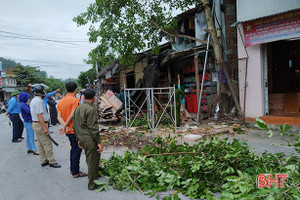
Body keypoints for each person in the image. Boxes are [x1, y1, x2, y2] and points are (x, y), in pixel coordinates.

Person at [73, 89, 104, 190]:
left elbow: (75, 126)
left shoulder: (78, 108)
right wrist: (99, 142)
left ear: (84, 97)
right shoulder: (90, 109)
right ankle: (92, 184)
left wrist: (78, 139)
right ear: (94, 97)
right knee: (93, 161)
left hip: (82, 138)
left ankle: (94, 176)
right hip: (90, 139)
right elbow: (93, 128)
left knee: (90, 159)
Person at [57, 82, 87, 178]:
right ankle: (75, 172)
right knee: (77, 150)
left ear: (66, 90)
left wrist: (64, 126)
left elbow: (59, 117)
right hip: (74, 129)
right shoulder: (75, 100)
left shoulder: (61, 101)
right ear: (76, 90)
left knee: (73, 149)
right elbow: (73, 114)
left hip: (68, 130)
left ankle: (73, 169)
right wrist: (66, 125)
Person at [30, 84, 61, 168]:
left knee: (40, 144)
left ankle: (43, 161)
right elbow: (39, 115)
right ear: (39, 91)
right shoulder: (39, 101)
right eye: (43, 90)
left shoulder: (34, 100)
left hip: (36, 124)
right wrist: (45, 127)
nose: (44, 91)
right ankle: (52, 161)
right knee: (47, 144)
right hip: (40, 124)